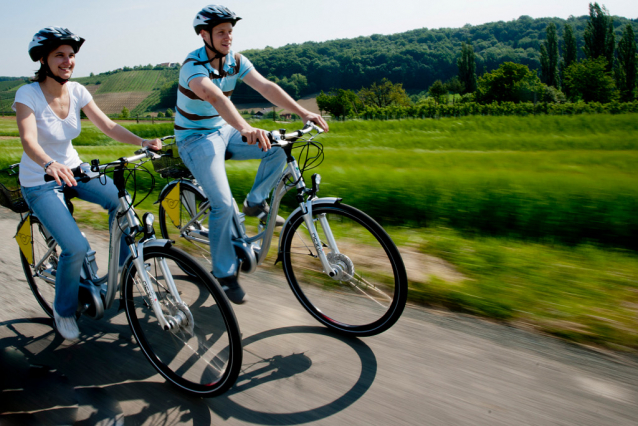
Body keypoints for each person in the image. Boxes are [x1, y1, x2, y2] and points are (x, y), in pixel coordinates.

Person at [13, 27, 162, 341]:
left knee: (122, 206)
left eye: (71, 55)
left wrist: (143, 141)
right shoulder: (28, 94)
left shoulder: (78, 91)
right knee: (76, 247)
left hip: (74, 170)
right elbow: (28, 139)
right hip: (40, 180)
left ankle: (123, 273)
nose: (68, 61)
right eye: (59, 55)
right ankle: (64, 310)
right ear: (43, 59)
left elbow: (107, 125)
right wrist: (48, 163)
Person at [175, 5, 329, 304]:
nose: (228, 37)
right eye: (221, 32)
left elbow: (266, 87)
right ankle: (223, 271)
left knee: (280, 146)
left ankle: (255, 201)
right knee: (221, 203)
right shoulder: (192, 66)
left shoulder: (235, 61)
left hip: (224, 129)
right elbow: (215, 96)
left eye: (230, 32)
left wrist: (303, 111)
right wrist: (246, 127)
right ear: (204, 34)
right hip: (195, 139)